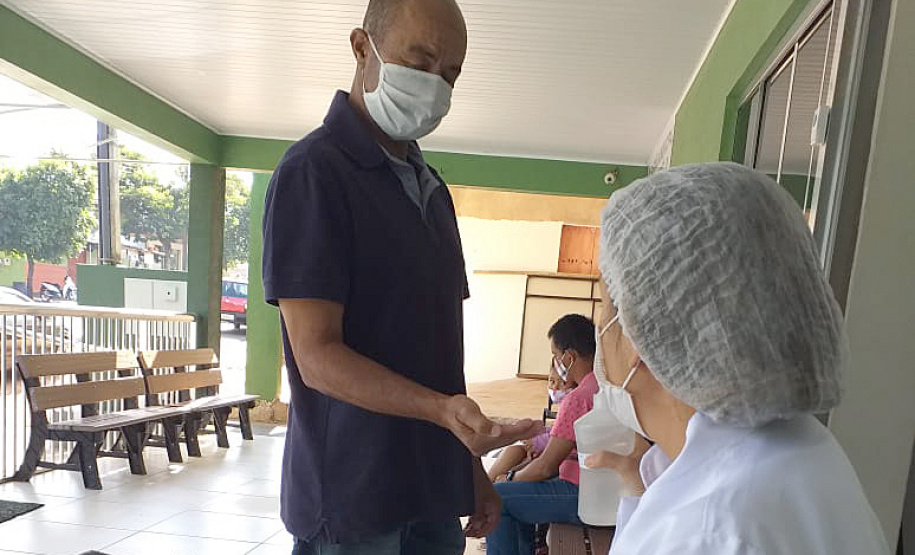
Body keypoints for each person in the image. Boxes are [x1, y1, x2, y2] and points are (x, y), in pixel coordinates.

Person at [261, 1, 538, 553]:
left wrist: (470, 467)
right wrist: (439, 411)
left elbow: (441, 352)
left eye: (450, 75)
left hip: (430, 491)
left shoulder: (432, 191)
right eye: (422, 60)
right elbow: (316, 358)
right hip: (354, 498)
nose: (435, 86)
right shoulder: (313, 175)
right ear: (363, 48)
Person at [584, 162, 889, 554]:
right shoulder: (806, 448)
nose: (600, 327)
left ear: (638, 336)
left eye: (605, 308)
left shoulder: (705, 532)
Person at [486, 314, 598, 555]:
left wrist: (509, 478)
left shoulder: (578, 398)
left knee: (496, 497)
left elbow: (546, 467)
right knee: (516, 492)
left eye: (556, 356)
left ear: (569, 357)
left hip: (580, 495)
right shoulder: (603, 387)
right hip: (599, 492)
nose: (555, 363)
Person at [487, 366, 576, 483]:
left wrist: (537, 442)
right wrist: (539, 433)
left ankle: (488, 484)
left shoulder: (574, 405)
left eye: (563, 383)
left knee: (516, 452)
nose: (555, 387)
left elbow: (564, 436)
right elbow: (558, 430)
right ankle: (489, 483)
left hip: (562, 459)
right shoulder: (568, 406)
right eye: (552, 381)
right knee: (518, 454)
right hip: (552, 454)